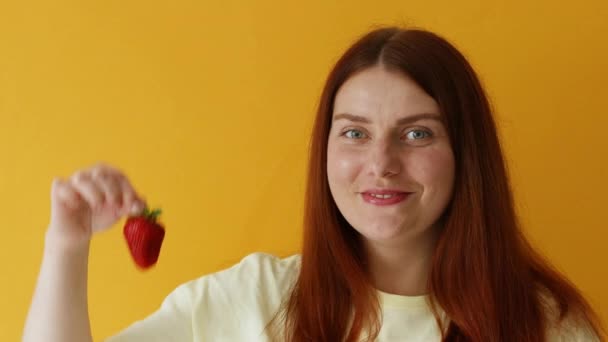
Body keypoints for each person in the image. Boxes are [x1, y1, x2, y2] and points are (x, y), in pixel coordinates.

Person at [23, 26, 604, 342]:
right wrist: (67, 247)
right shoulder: (253, 302)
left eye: (417, 134)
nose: (380, 163)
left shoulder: (545, 325)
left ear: (466, 155)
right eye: (354, 134)